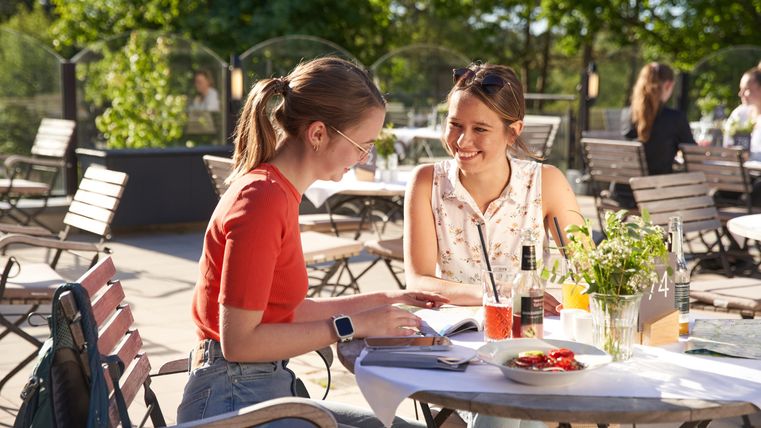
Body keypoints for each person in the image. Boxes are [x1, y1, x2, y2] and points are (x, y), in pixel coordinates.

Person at [177, 57, 447, 427]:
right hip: (234, 397)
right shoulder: (262, 199)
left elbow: (285, 312)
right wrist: (353, 326)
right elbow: (239, 342)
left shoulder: (277, 191)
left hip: (256, 386)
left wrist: (389, 299)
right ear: (318, 133)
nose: (364, 158)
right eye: (361, 145)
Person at [404, 62, 581, 428]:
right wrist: (500, 292)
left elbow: (587, 270)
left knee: (517, 400)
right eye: (455, 125)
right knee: (507, 403)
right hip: (459, 354)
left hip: (533, 344)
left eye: (479, 129)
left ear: (513, 132)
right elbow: (419, 281)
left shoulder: (545, 182)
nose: (462, 141)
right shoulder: (426, 182)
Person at [723, 66, 761, 157]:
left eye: (746, 89)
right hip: (737, 168)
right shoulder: (739, 113)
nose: (740, 94)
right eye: (741, 89)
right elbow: (726, 144)